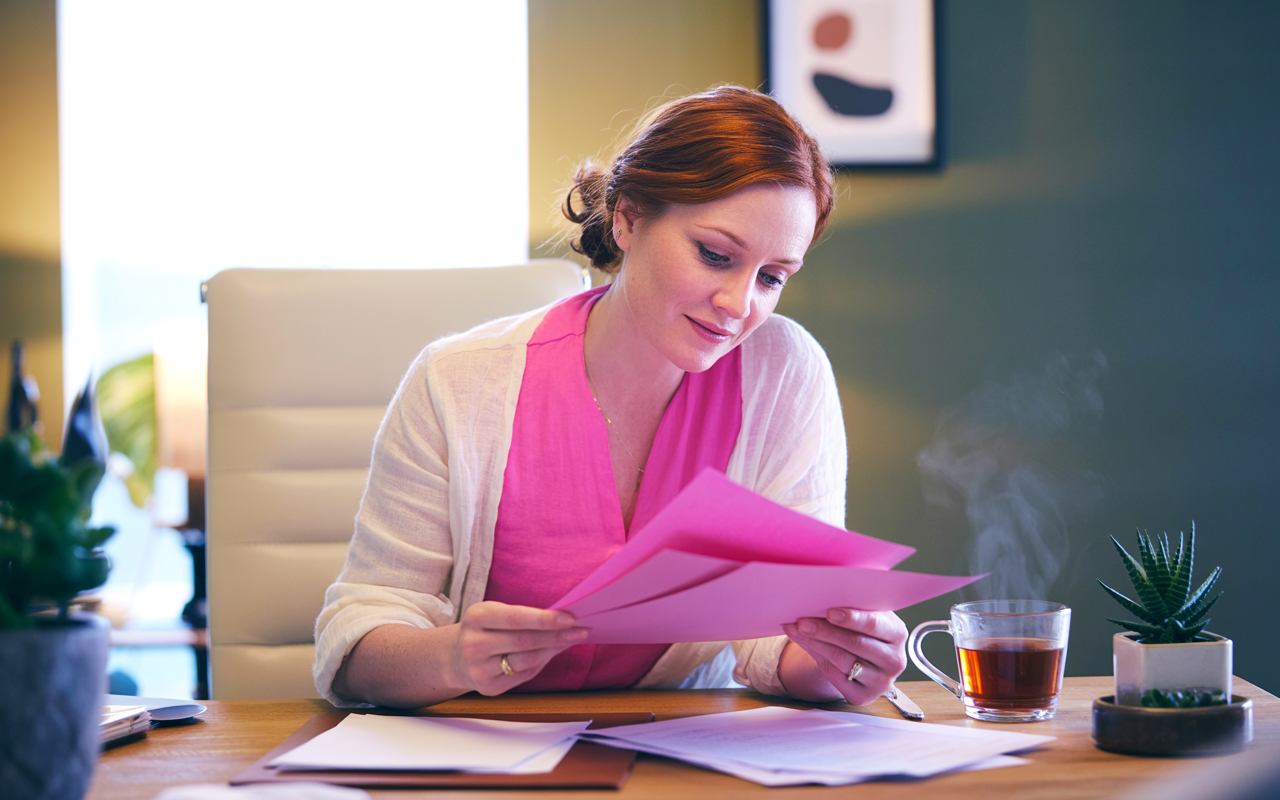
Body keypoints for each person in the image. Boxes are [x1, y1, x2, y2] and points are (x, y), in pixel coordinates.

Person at [314, 84, 908, 709]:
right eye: (714, 255)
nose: (739, 305)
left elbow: (779, 638)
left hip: (688, 754)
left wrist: (843, 658)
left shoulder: (784, 370)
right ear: (627, 218)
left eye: (771, 277)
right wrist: (450, 654)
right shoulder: (457, 381)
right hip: (486, 750)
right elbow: (358, 647)